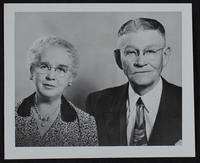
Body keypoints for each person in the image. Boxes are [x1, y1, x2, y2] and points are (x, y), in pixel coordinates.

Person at [86, 18, 182, 146]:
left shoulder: (187, 101)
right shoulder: (97, 103)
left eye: (150, 51)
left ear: (165, 56)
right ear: (118, 59)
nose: (141, 62)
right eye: (131, 52)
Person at [15, 36, 98, 146]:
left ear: (71, 78)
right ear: (32, 71)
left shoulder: (85, 124)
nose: (51, 76)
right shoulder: (8, 116)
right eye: (44, 66)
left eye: (60, 69)